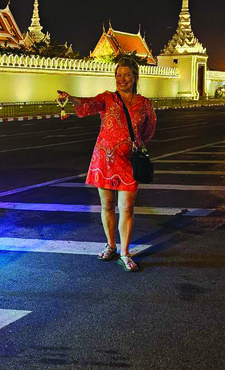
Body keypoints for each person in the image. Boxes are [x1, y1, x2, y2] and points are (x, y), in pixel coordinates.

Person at [57, 58, 156, 272]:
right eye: (119, 75)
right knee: (107, 205)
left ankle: (125, 252)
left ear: (135, 77)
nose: (122, 79)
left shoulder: (144, 103)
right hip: (104, 160)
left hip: (128, 162)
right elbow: (89, 104)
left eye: (127, 74)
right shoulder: (107, 99)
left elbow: (149, 130)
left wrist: (134, 146)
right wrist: (71, 98)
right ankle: (111, 245)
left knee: (127, 207)